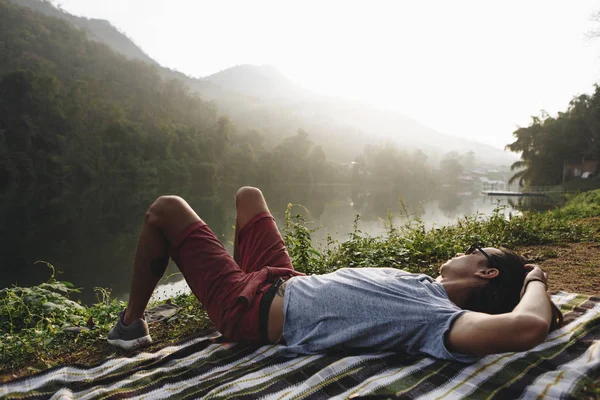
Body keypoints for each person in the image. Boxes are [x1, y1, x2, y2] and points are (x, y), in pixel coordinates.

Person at [108, 187, 563, 362]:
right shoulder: (425, 286)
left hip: (252, 308)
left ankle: (131, 325)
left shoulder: (437, 318)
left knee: (165, 210)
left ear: (485, 272)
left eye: (473, 250)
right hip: (280, 279)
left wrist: (535, 277)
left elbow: (525, 327)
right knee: (249, 197)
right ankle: (223, 277)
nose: (464, 250)